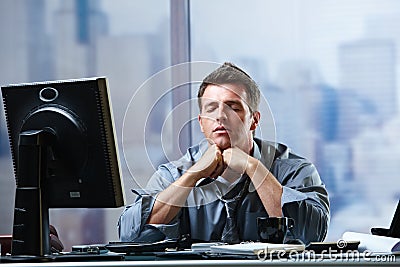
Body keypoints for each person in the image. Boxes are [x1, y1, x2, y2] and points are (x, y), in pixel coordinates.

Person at [118, 62, 329, 245]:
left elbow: (312, 234)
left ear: (254, 120)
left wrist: (254, 168)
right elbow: (131, 236)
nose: (220, 116)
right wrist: (193, 176)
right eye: (211, 108)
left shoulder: (295, 171)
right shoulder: (175, 174)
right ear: (201, 123)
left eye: (233, 107)